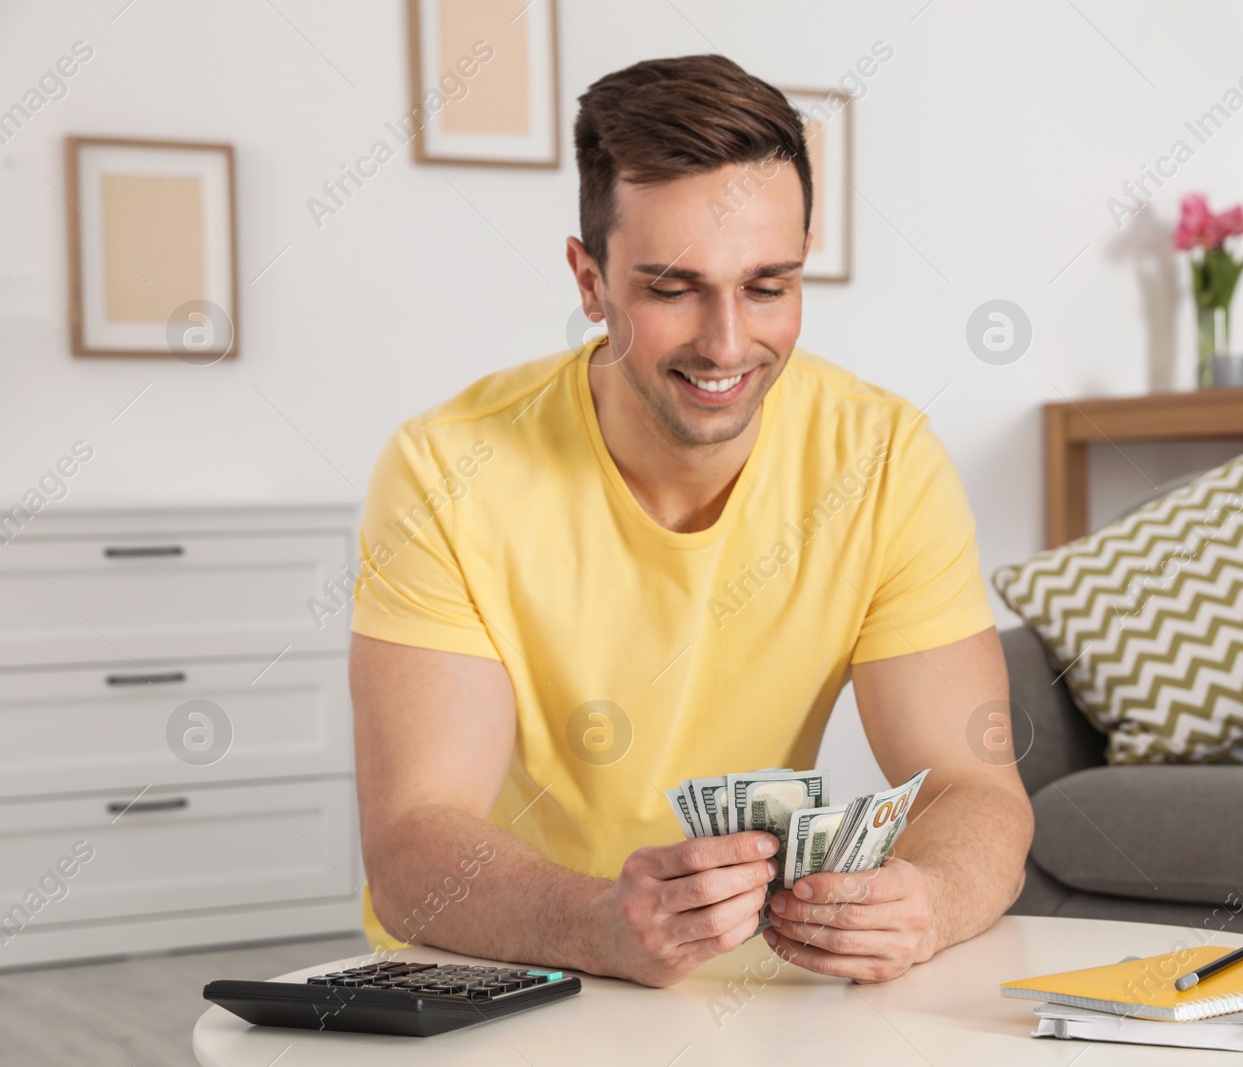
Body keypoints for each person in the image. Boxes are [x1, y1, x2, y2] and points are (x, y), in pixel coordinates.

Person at [351, 53, 1032, 988]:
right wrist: (596, 921)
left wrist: (928, 900)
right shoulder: (443, 469)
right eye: (673, 289)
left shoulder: (883, 462)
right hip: (504, 983)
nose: (725, 343)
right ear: (589, 284)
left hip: (755, 995)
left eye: (767, 286)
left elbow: (977, 789)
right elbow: (410, 844)